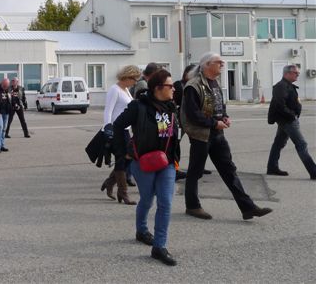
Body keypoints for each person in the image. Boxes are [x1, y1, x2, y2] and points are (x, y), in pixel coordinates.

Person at [182, 52, 273, 221]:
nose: (222, 64)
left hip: (217, 134)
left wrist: (224, 116)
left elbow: (219, 106)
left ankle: (248, 208)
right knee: (195, 172)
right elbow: (193, 114)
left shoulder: (215, 82)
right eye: (219, 62)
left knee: (229, 170)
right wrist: (214, 123)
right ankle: (192, 206)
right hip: (201, 136)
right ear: (207, 65)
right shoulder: (193, 86)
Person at [113, 69, 180, 266]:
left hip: (167, 163)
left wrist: (175, 158)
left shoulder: (171, 107)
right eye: (170, 86)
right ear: (158, 88)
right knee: (148, 199)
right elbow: (118, 126)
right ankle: (141, 230)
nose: (174, 89)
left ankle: (159, 246)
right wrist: (124, 152)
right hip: (143, 163)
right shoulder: (138, 106)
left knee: (165, 202)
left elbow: (173, 135)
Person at [267, 65, 316, 179]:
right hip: (288, 121)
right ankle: (313, 172)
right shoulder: (281, 86)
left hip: (286, 120)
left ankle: (272, 167)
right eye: (295, 73)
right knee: (301, 144)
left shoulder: (287, 85)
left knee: (278, 143)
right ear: (287, 73)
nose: (298, 75)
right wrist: (292, 115)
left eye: (298, 73)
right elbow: (280, 105)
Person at [101, 65, 141, 204]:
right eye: (134, 79)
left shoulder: (126, 90)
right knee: (122, 160)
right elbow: (108, 111)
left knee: (128, 158)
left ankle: (110, 182)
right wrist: (108, 130)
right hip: (116, 129)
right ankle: (123, 193)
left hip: (125, 129)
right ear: (127, 77)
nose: (135, 82)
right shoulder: (114, 89)